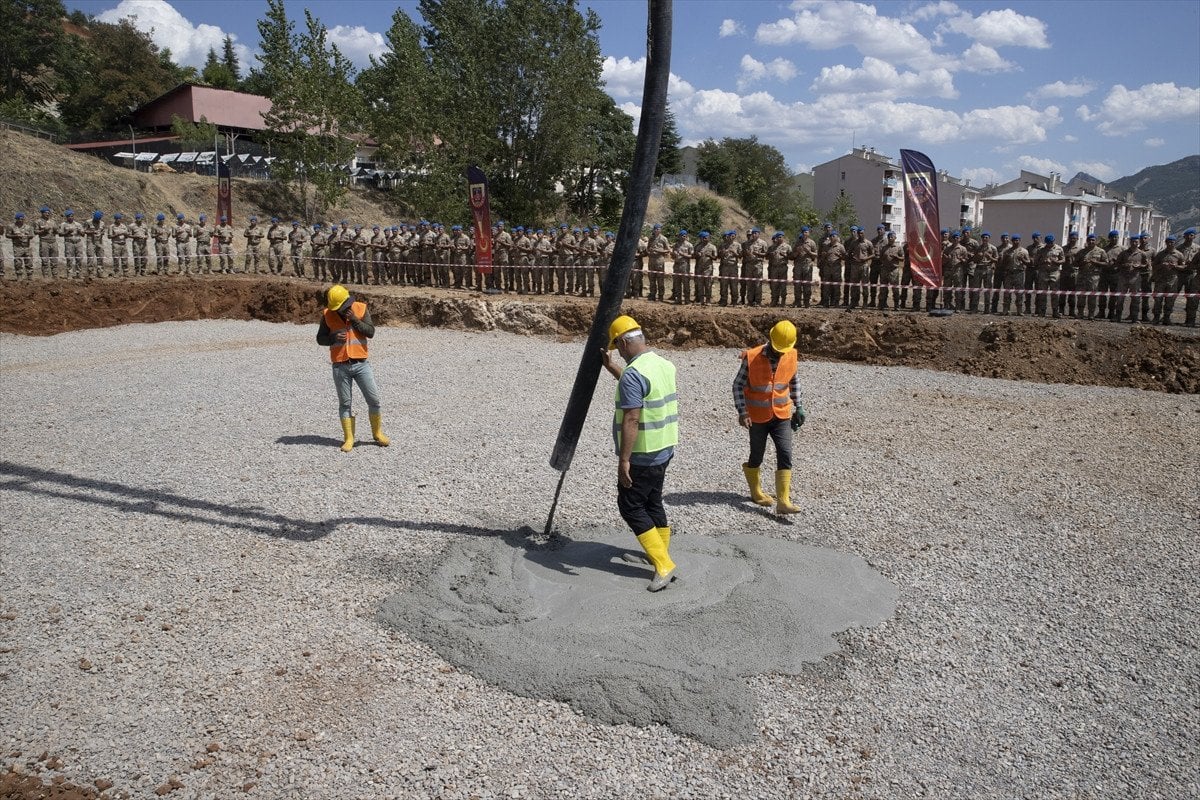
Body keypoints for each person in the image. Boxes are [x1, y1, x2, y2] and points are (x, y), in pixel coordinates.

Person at [600, 314, 679, 593]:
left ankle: (663, 564)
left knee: (631, 506)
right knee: (653, 501)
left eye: (617, 347)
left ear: (623, 342)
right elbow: (640, 389)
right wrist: (614, 369)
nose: (618, 351)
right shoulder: (661, 364)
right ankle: (660, 554)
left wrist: (624, 461)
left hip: (643, 454)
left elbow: (632, 418)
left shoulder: (635, 374)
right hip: (665, 448)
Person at [734, 320, 805, 516]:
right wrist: (743, 412)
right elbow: (738, 385)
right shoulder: (752, 356)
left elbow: (794, 381)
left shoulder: (791, 355)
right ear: (770, 339)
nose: (781, 353)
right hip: (757, 417)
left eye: (784, 349)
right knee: (757, 455)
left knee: (785, 453)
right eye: (778, 349)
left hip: (781, 414)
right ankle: (756, 492)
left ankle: (783, 501)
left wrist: (799, 406)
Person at [316, 285, 390, 452]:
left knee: (374, 400)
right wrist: (332, 337)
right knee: (345, 404)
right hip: (340, 366)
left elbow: (370, 332)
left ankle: (377, 434)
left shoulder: (361, 309)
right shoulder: (327, 315)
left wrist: (355, 319)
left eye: (343, 307)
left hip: (361, 364)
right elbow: (320, 339)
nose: (341, 311)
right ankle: (349, 438)